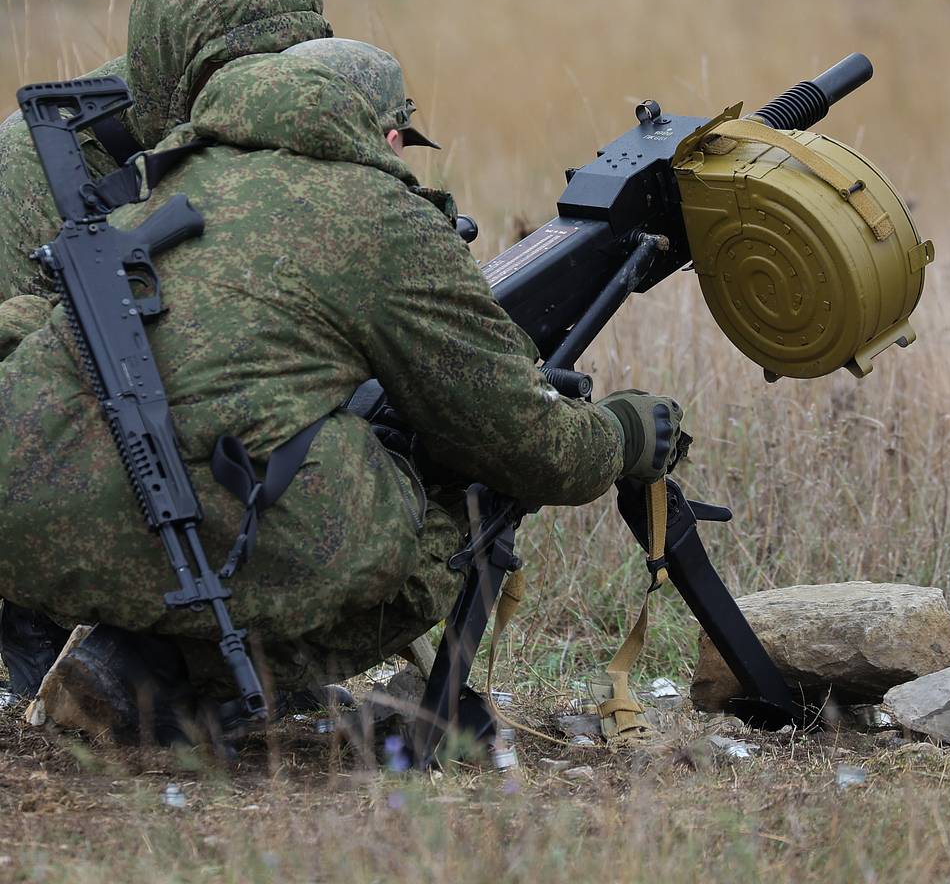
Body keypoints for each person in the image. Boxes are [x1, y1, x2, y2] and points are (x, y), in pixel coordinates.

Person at [0, 37, 683, 739]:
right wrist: (625, 433)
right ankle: (162, 673)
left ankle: (122, 656)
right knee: (433, 509)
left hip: (26, 526)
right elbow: (525, 442)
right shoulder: (374, 214)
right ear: (386, 133)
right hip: (162, 518)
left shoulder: (163, 176)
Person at [0, 0, 333, 695]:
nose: (262, 91)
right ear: (176, 70)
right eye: (233, 74)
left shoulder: (289, 127)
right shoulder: (39, 162)